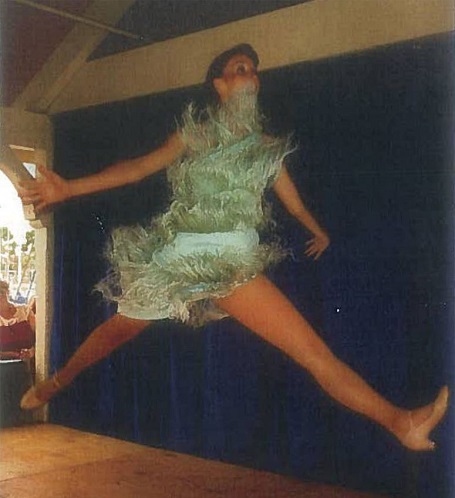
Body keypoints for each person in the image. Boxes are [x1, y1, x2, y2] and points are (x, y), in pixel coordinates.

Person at [18, 44, 448, 451]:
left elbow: (293, 201)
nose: (250, 75)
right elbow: (137, 169)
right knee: (115, 333)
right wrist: (69, 187)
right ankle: (58, 381)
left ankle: (401, 423)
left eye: (253, 70)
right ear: (220, 85)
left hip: (230, 265)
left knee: (314, 354)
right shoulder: (195, 135)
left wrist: (319, 231)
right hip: (177, 258)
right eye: (239, 68)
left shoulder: (266, 150)